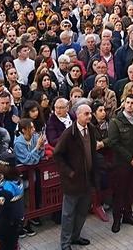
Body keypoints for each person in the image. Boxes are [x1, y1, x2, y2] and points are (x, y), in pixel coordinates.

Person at [53, 103, 96, 250]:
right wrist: (69, 172)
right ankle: (65, 244)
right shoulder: (69, 134)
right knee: (68, 214)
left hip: (87, 179)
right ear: (78, 115)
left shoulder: (91, 129)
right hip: (72, 182)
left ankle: (75, 236)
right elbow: (57, 155)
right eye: (86, 114)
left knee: (82, 211)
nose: (89, 116)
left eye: (90, 113)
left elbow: (93, 152)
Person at [107, 94, 133, 233]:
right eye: (128, 102)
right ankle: (117, 220)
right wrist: (130, 157)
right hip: (121, 164)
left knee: (131, 190)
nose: (130, 105)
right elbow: (114, 143)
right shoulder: (115, 121)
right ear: (124, 104)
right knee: (119, 192)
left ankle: (128, 215)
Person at [0, 152, 25, 250]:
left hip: (7, 227)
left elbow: (4, 216)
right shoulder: (17, 180)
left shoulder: (6, 189)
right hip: (15, 222)